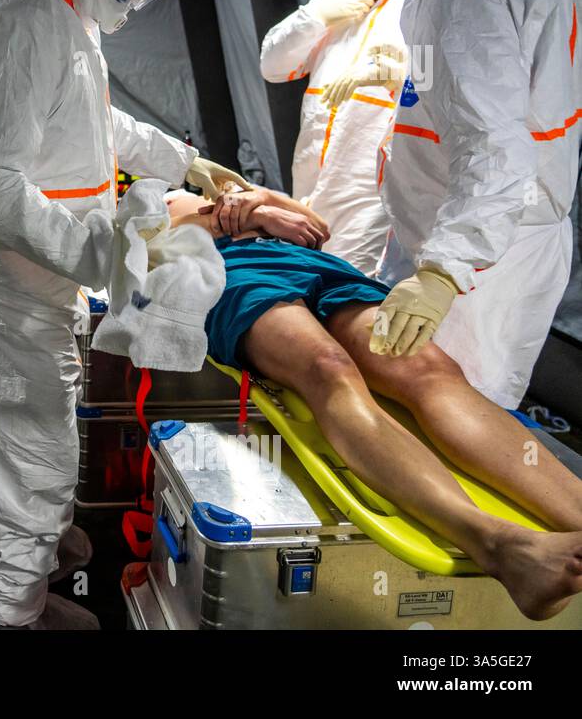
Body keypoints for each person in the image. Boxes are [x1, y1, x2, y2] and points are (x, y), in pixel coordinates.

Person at [0, 0, 250, 630]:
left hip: (38, 282)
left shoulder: (64, 9)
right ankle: (5, 618)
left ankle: (33, 583)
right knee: (25, 472)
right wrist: (108, 256)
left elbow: (93, 122)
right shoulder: (18, 20)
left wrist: (186, 161)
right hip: (0, 295)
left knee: (39, 457)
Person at [174, 186, 582, 622]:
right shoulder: (132, 192)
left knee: (427, 368)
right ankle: (502, 546)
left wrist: (257, 206)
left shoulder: (210, 178)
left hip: (316, 266)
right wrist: (226, 219)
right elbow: (137, 250)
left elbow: (314, 228)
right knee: (328, 368)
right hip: (225, 270)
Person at [370, 0, 582, 410]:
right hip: (511, 231)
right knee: (474, 404)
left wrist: (442, 272)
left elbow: (493, 141)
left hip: (474, 252)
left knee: (448, 412)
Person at [259, 0, 426, 274]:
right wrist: (314, 15)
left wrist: (397, 77)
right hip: (312, 182)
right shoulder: (342, 0)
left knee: (358, 287)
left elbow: (440, 96)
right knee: (312, 278)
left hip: (372, 189)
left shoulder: (424, 0)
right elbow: (273, 65)